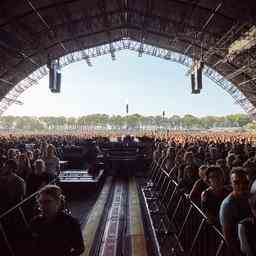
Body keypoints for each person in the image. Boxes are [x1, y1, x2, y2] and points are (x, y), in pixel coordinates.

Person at [30, 185, 85, 256]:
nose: (43, 206)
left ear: (58, 202)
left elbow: (79, 248)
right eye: (40, 202)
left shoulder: (71, 223)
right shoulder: (35, 222)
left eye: (47, 202)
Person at [219, 167, 251, 256]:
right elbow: (228, 236)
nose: (241, 186)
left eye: (245, 183)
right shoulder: (228, 205)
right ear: (231, 184)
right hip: (240, 246)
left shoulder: (251, 197)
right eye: (237, 182)